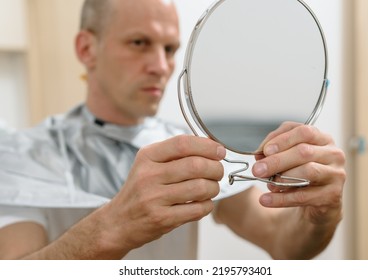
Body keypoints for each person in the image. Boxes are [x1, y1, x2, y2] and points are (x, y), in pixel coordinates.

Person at [0, 0, 345, 260]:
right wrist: (112, 227)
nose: (161, 67)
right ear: (87, 49)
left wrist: (320, 216)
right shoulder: (25, 156)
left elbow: (284, 244)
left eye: (170, 49)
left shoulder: (197, 150)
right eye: (139, 43)